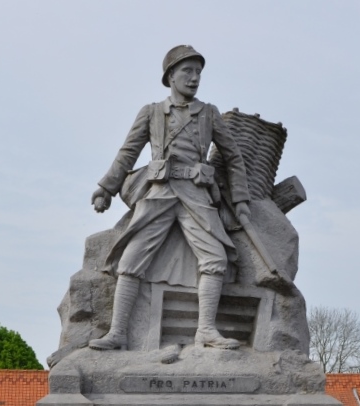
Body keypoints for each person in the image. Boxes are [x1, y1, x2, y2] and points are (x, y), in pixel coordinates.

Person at [90, 44, 251, 351]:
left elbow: (234, 157)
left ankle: (205, 330)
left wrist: (241, 199)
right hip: (160, 193)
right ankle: (118, 332)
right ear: (170, 77)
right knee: (130, 260)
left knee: (215, 258)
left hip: (196, 194)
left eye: (198, 72)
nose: (194, 78)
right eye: (187, 71)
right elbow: (128, 152)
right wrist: (106, 188)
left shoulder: (209, 113)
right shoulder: (151, 113)